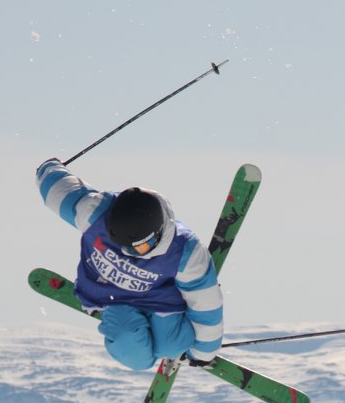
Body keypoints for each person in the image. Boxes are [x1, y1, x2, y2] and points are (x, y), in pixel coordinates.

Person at [36, 158, 224, 371]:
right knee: (136, 359)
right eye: (125, 247)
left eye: (143, 248)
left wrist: (203, 352)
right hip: (113, 300)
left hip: (163, 303)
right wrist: (48, 168)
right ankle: (152, 342)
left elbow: (206, 302)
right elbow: (57, 191)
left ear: (159, 232)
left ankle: (176, 350)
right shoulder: (94, 214)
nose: (135, 254)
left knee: (172, 346)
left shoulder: (185, 252)